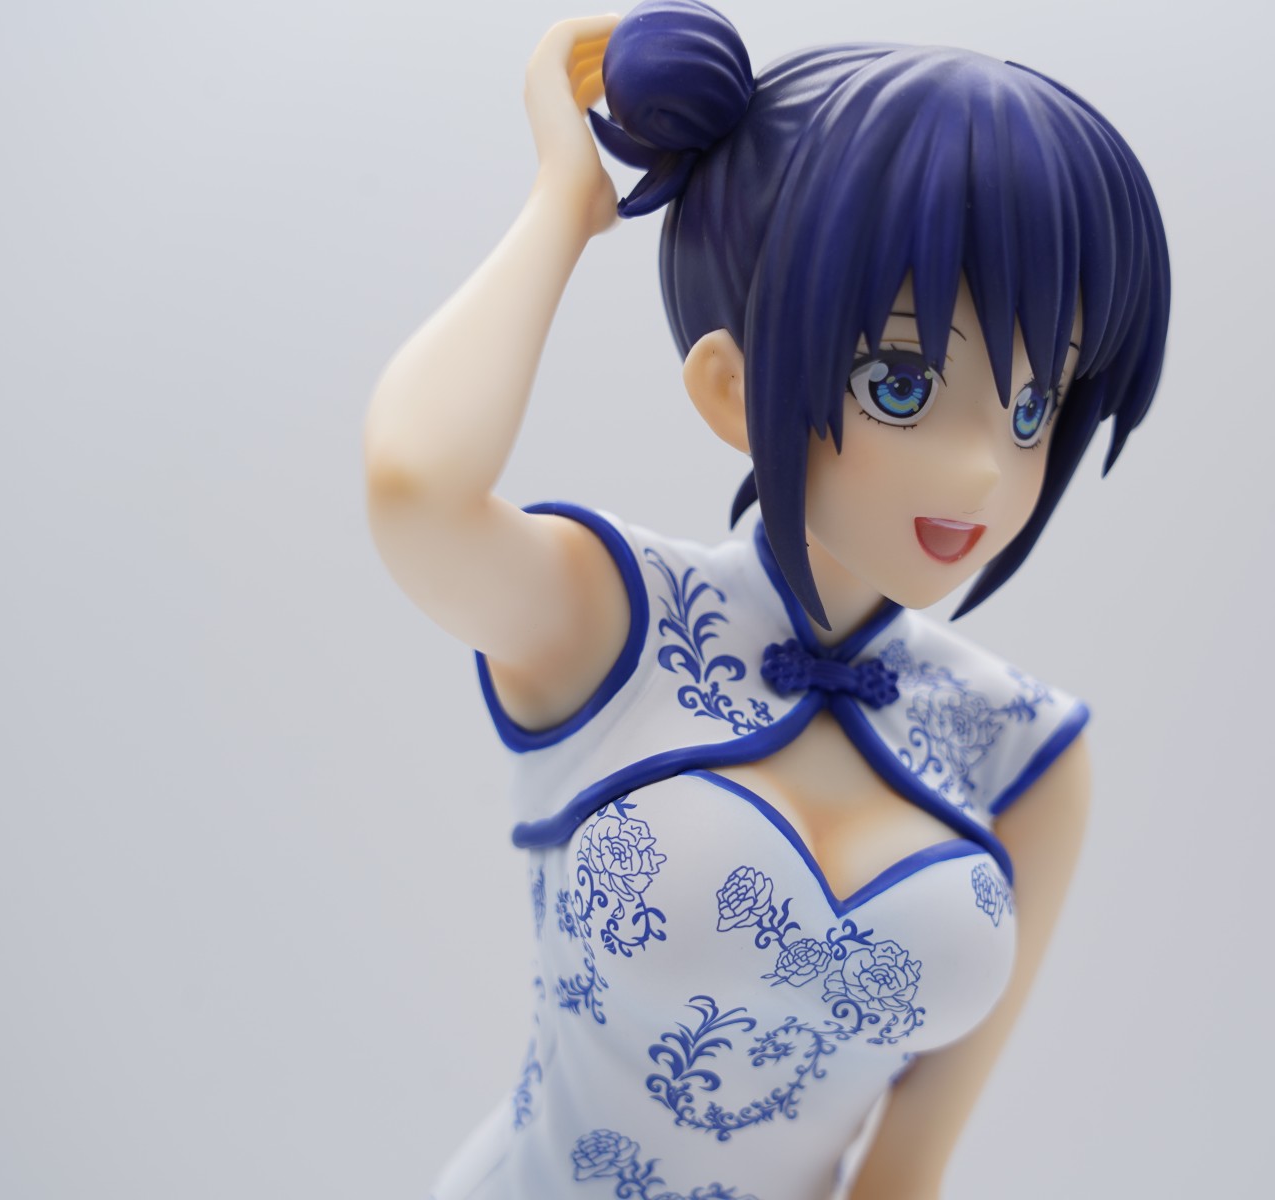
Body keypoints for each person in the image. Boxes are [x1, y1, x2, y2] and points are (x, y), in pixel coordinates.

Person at [363, 2, 1170, 1195]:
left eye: (1031, 403)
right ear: (732, 389)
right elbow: (415, 490)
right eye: (904, 383)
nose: (982, 472)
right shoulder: (612, 619)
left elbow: (903, 1173)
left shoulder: (1027, 751)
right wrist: (564, 204)